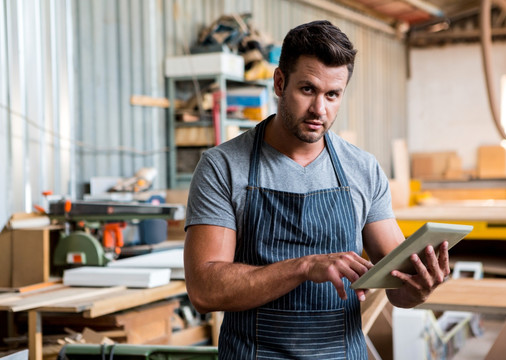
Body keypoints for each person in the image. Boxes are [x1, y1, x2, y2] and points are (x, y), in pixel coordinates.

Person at [183, 20, 450, 359]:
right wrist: (305, 267)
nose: (319, 110)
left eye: (332, 95)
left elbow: (397, 287)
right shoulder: (223, 167)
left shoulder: (362, 169)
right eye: (307, 89)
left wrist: (420, 287)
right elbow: (205, 290)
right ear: (280, 83)